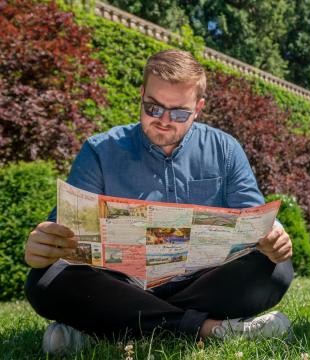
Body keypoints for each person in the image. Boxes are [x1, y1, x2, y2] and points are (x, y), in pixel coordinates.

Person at [23, 50, 294, 354]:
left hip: (199, 284)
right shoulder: (99, 151)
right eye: (153, 107)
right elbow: (64, 233)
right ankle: (210, 328)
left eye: (178, 113)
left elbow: (256, 218)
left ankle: (105, 328)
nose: (164, 121)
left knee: (276, 269)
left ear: (198, 108)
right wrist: (42, 246)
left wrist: (275, 237)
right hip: (123, 284)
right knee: (45, 280)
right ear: (141, 95)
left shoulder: (225, 149)